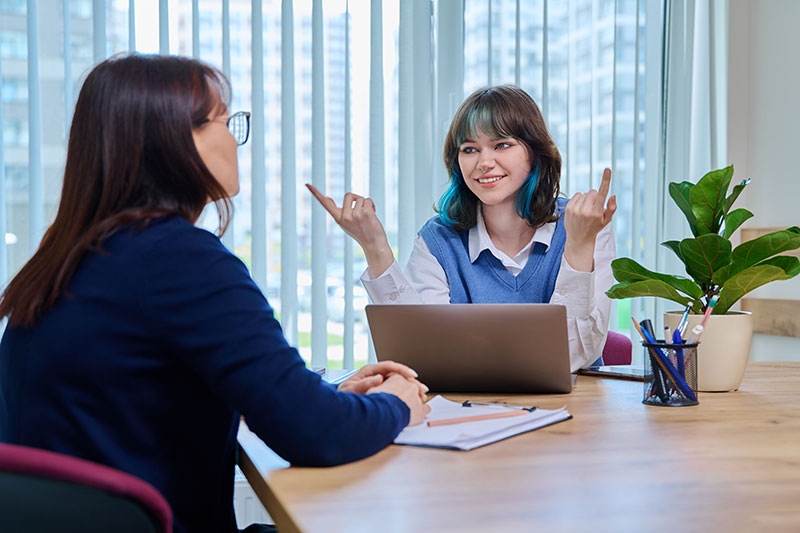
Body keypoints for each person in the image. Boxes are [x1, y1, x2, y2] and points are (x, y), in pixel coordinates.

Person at [0, 54, 429, 533]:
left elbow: (139, 402)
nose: (235, 138)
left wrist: (319, 396)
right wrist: (398, 403)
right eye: (225, 121)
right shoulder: (177, 258)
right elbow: (317, 435)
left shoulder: (67, 255)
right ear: (173, 141)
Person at [308, 85, 617, 372]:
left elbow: (575, 355)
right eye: (469, 149)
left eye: (501, 145)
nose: (484, 162)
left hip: (576, 411)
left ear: (535, 152)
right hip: (468, 409)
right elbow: (418, 353)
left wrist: (577, 245)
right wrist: (375, 247)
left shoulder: (585, 226)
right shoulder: (437, 239)